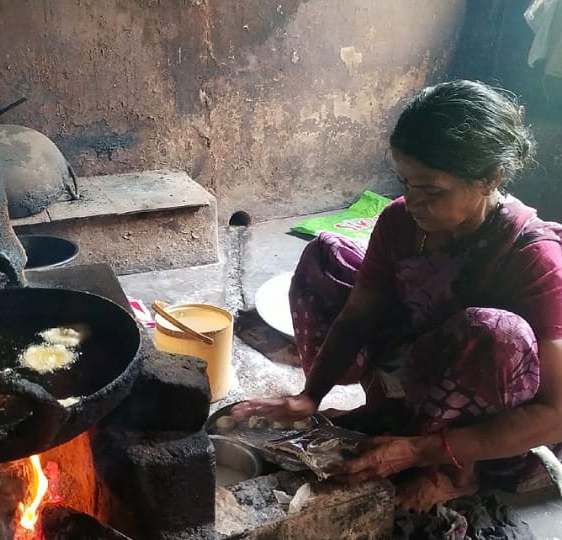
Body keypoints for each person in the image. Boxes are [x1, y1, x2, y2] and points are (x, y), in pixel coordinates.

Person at [232, 80, 562, 512]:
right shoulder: (400, 221)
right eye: (407, 182)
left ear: (490, 178)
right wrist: (310, 394)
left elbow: (555, 412)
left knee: (493, 332)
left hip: (491, 422)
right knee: (324, 256)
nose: (414, 203)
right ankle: (390, 419)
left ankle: (456, 474)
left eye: (433, 191)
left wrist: (422, 452)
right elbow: (357, 315)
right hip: (423, 367)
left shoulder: (536, 259)